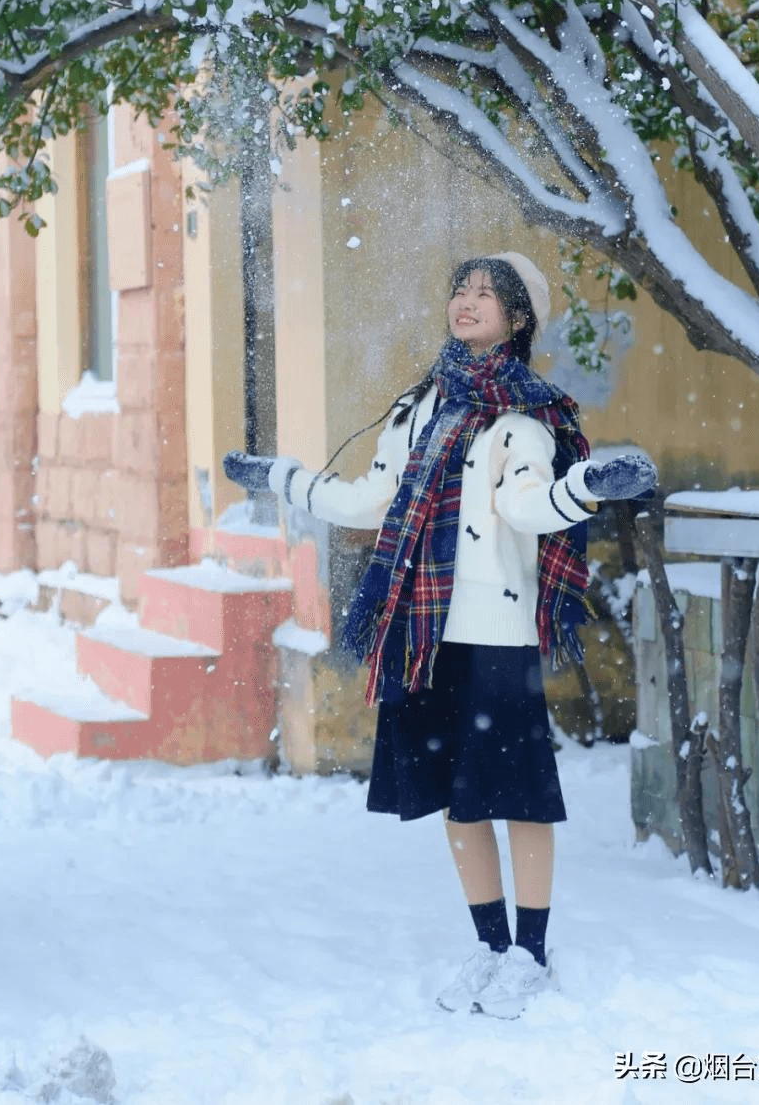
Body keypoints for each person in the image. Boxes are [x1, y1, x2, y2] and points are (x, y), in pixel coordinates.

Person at [224, 252, 655, 1019]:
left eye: (489, 293)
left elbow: (527, 509)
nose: (469, 300)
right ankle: (489, 949)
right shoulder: (417, 408)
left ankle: (531, 953)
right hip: (424, 636)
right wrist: (282, 479)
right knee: (460, 803)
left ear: (519, 320)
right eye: (463, 288)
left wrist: (588, 487)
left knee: (519, 799)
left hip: (496, 634)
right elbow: (368, 499)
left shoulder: (525, 422)